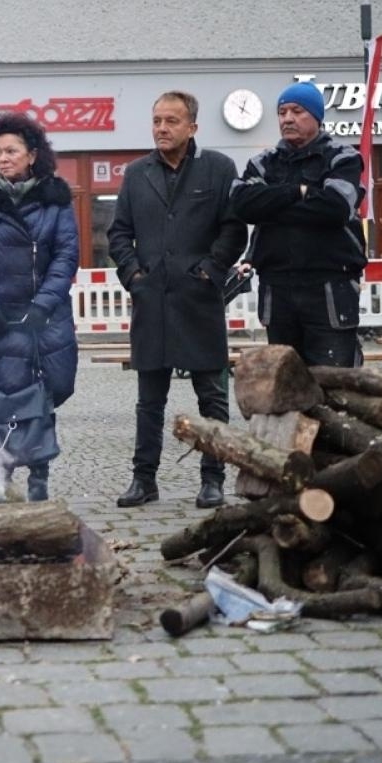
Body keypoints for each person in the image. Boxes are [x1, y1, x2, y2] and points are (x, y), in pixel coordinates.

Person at [108, 91, 247, 508]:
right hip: (152, 302)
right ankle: (143, 479)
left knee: (212, 397)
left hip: (200, 299)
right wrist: (134, 276)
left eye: (171, 121)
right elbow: (118, 233)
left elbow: (234, 228)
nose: (162, 128)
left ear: (192, 127)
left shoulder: (218, 169)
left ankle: (213, 478)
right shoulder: (136, 173)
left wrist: (210, 270)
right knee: (149, 400)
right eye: (156, 121)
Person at [0, 112, 79, 501]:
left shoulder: (55, 199)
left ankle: (39, 476)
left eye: (12, 151)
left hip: (43, 318)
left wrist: (44, 304)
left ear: (32, 155)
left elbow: (65, 256)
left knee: (43, 394)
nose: (3, 158)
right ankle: (0, 476)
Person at [230, 82, 367, 368]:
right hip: (277, 287)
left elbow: (335, 209)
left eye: (297, 110)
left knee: (335, 385)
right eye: (282, 112)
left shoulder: (343, 158)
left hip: (330, 287)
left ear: (317, 117)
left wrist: (271, 205)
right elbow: (243, 204)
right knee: (285, 386)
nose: (287, 118)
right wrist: (298, 192)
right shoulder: (263, 162)